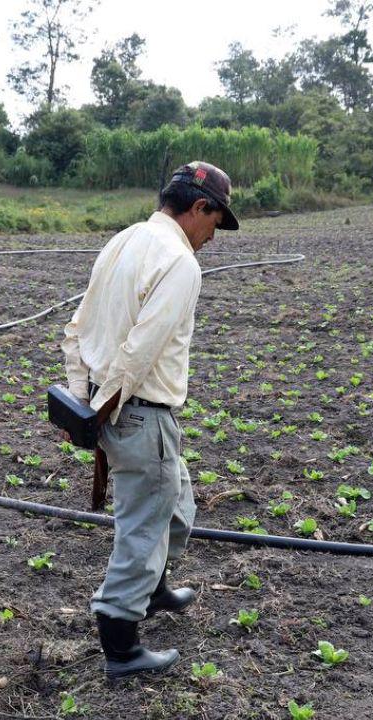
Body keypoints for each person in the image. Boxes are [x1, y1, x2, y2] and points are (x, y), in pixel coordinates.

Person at [60, 161, 240, 678]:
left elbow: (77, 329)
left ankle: (153, 587)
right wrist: (99, 412)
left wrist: (85, 402)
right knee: (142, 529)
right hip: (138, 412)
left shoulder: (123, 240)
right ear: (198, 208)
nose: (214, 236)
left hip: (113, 403)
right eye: (215, 221)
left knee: (176, 509)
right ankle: (121, 643)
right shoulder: (180, 263)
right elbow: (139, 353)